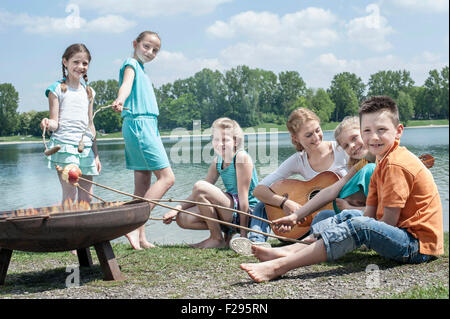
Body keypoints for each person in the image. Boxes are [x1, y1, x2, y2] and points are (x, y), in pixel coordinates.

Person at [240, 96, 444, 282]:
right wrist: (295, 216)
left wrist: (354, 227)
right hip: (400, 237)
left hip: (417, 247)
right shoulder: (378, 163)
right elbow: (367, 212)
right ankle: (290, 251)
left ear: (398, 130)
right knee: (348, 216)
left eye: (381, 130)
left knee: (358, 225)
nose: (373, 137)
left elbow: (385, 224)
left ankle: (279, 267)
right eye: (367, 131)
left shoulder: (395, 164)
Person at [230, 108, 349, 253]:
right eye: (308, 135)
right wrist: (285, 203)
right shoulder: (298, 160)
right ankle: (255, 242)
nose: (316, 137)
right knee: (263, 205)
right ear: (296, 138)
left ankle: (311, 243)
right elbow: (259, 190)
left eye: (318, 130)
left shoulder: (341, 149)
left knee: (323, 216)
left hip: (337, 215)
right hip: (304, 223)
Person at [112, 31, 175, 250]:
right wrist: (120, 99)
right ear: (135, 44)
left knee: (142, 184)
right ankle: (133, 225)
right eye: (146, 47)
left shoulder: (142, 69)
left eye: (155, 50)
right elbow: (126, 85)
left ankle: (140, 237)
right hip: (139, 125)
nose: (150, 52)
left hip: (145, 125)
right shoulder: (131, 64)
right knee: (167, 178)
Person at [162, 118, 260, 249]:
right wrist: (175, 210)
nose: (220, 144)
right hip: (231, 212)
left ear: (235, 141)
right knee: (182, 218)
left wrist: (243, 236)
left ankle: (216, 239)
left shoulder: (241, 158)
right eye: (216, 139)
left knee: (200, 186)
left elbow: (243, 199)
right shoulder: (218, 162)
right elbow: (198, 194)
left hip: (249, 214)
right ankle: (222, 236)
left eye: (225, 140)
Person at [40, 43, 101, 208]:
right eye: (76, 62)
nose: (80, 67)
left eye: (85, 63)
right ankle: (67, 232)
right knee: (70, 194)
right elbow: (54, 123)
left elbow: (90, 124)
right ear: (65, 62)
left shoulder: (89, 92)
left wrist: (96, 155)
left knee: (87, 198)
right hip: (65, 146)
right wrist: (47, 122)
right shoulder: (57, 89)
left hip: (86, 148)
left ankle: (84, 232)